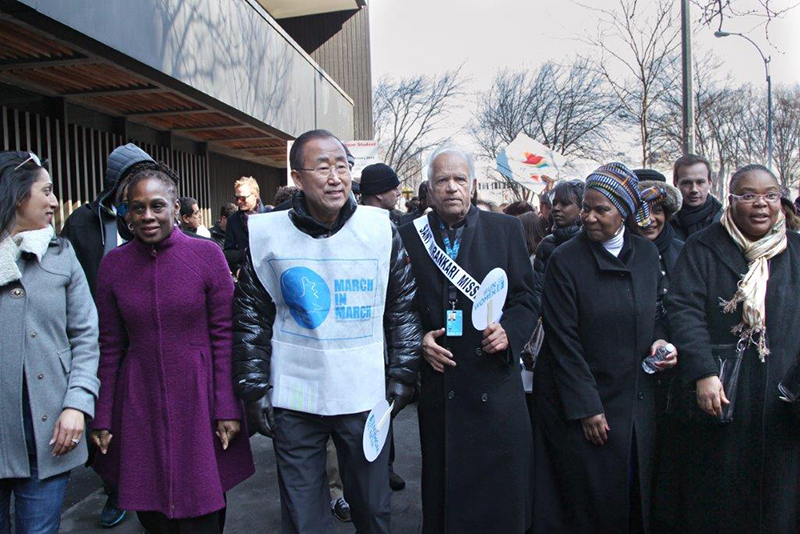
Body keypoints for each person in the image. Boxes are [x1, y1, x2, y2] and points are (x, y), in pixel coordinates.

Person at [232, 129, 422, 534]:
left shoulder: (379, 229)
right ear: (297, 178)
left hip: (363, 393)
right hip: (295, 394)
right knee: (303, 515)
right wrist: (253, 387)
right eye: (323, 167)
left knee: (372, 508)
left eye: (342, 165)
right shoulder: (267, 234)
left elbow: (402, 307)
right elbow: (251, 313)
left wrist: (403, 373)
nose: (336, 177)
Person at [90, 163, 254, 533]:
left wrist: (228, 406)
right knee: (150, 507)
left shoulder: (207, 255)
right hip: (139, 398)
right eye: (137, 207)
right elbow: (110, 345)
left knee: (203, 506)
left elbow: (226, 334)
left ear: (175, 209)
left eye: (157, 205)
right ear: (127, 214)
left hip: (200, 396)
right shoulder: (113, 265)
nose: (147, 216)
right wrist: (102, 415)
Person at [398, 146, 537, 533]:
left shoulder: (505, 230)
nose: (452, 188)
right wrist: (418, 340)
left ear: (473, 185)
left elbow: (528, 297)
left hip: (494, 380)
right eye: (442, 180)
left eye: (460, 179)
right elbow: (397, 305)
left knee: (499, 500)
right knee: (446, 499)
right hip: (442, 385)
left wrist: (511, 331)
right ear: (428, 188)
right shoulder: (409, 236)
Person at [532, 162, 677, 533]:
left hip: (636, 404)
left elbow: (657, 312)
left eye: (602, 209)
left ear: (625, 212)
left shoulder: (646, 255)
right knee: (591, 506)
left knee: (634, 498)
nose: (590, 218)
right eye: (587, 208)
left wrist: (661, 341)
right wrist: (587, 407)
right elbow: (563, 341)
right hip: (586, 406)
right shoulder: (566, 260)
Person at [658, 164, 800, 532]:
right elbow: (684, 311)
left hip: (784, 397)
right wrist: (703, 372)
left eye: (770, 195)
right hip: (724, 393)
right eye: (749, 196)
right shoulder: (703, 245)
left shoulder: (796, 249)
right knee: (722, 497)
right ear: (732, 200)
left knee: (780, 501)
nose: (761, 205)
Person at [0, 151, 100, 533]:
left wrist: (77, 404)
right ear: (17, 195)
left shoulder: (62, 255)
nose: (55, 201)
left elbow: (86, 336)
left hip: (50, 433)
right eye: (47, 190)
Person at [60, 142, 154, 528]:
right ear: (116, 183)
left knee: (140, 418)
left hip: (144, 334)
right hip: (97, 338)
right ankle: (114, 487)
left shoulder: (151, 216)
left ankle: (140, 483)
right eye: (132, 179)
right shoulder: (83, 222)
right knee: (104, 418)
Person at [533, 179, 585, 310]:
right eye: (554, 203)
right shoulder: (547, 244)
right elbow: (537, 290)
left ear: (582, 208)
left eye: (565, 204)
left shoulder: (592, 242)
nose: (556, 209)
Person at [670, 154, 723, 241]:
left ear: (710, 183)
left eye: (700, 182)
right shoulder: (664, 222)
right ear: (675, 183)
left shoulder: (725, 222)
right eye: (687, 182)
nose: (694, 189)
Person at [224, 176, 269, 274]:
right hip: (246, 273)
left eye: (243, 198)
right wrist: (237, 270)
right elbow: (228, 253)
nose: (239, 202)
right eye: (237, 198)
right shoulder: (232, 220)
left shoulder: (269, 214)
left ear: (255, 196)